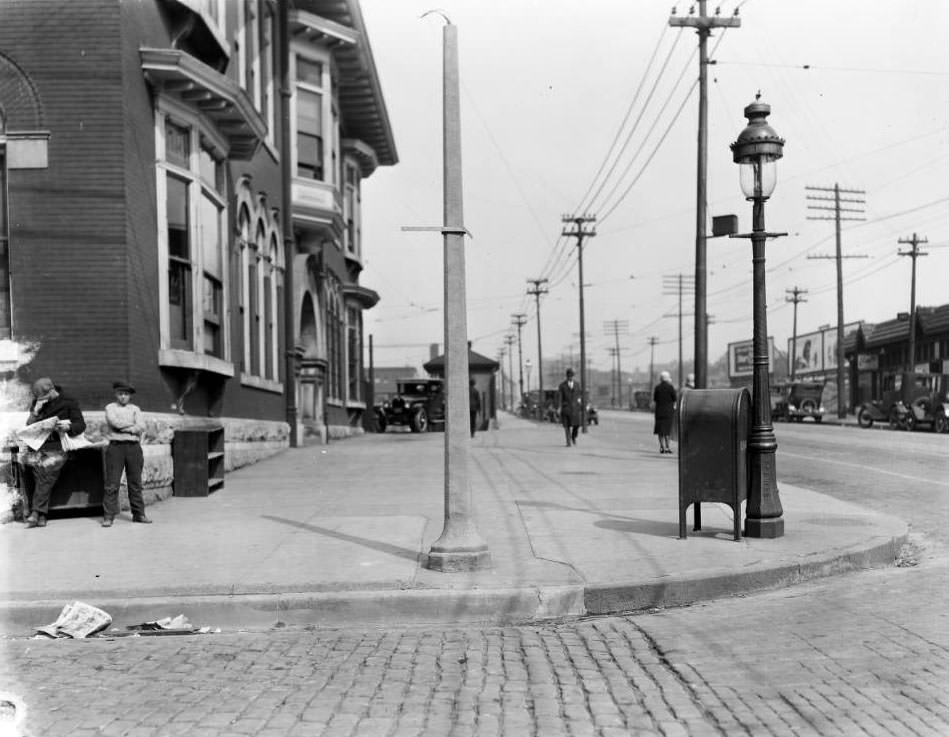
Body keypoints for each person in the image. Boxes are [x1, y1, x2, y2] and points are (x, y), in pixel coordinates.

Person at [22, 377, 86, 528]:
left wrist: (68, 427)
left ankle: (36, 512)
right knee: (38, 471)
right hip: (39, 445)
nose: (43, 401)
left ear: (52, 390)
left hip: (59, 446)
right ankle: (42, 515)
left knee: (46, 470)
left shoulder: (69, 401)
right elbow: (29, 426)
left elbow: (81, 425)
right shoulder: (38, 402)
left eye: (44, 398)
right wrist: (35, 412)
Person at [102, 381, 150, 526]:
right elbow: (114, 422)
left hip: (133, 448)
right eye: (120, 394)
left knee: (135, 483)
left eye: (126, 394)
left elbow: (142, 426)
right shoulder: (110, 407)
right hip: (116, 448)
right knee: (112, 484)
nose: (123, 397)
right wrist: (132, 427)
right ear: (116, 394)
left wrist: (128, 428)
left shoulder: (135, 409)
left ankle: (139, 514)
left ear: (130, 396)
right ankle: (109, 516)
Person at [653, 371, 678, 455]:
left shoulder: (657, 387)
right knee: (667, 430)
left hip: (659, 411)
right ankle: (667, 447)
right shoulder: (670, 387)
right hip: (668, 412)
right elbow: (675, 398)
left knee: (660, 430)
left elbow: (655, 399)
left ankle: (661, 447)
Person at [557, 368, 583, 447]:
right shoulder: (562, 386)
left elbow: (579, 394)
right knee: (566, 426)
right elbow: (560, 397)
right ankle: (568, 442)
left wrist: (579, 401)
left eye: (571, 376)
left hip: (575, 408)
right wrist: (559, 407)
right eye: (569, 376)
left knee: (577, 425)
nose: (570, 377)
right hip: (566, 408)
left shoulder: (577, 384)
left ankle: (573, 436)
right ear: (567, 376)